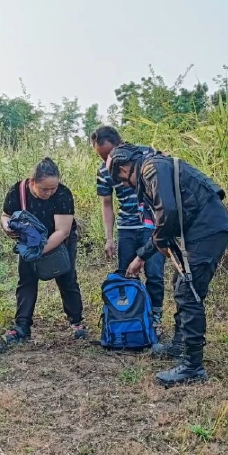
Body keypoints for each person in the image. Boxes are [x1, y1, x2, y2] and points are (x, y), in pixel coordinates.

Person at [107, 144, 228, 387]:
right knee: (180, 283)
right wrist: (144, 254)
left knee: (189, 292)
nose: (126, 185)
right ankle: (178, 344)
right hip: (201, 228)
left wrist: (153, 247)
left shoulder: (151, 169)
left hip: (207, 230)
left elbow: (168, 212)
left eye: (122, 180)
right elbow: (167, 219)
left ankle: (193, 366)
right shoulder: (156, 166)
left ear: (124, 167)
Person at [1, 157, 86, 344]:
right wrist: (8, 228)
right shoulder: (18, 191)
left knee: (67, 277)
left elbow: (62, 231)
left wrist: (38, 251)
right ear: (32, 182)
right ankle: (22, 326)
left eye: (53, 188)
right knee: (26, 280)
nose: (49, 193)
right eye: (44, 189)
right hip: (30, 242)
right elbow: (5, 215)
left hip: (60, 241)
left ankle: (77, 322)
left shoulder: (63, 194)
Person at [90, 125, 164, 330]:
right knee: (125, 272)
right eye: (101, 156)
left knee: (154, 273)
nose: (106, 161)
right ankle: (128, 316)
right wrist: (109, 238)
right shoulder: (104, 171)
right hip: (126, 227)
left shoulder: (146, 154)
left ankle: (155, 317)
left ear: (120, 144)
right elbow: (107, 204)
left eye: (108, 154)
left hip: (153, 226)